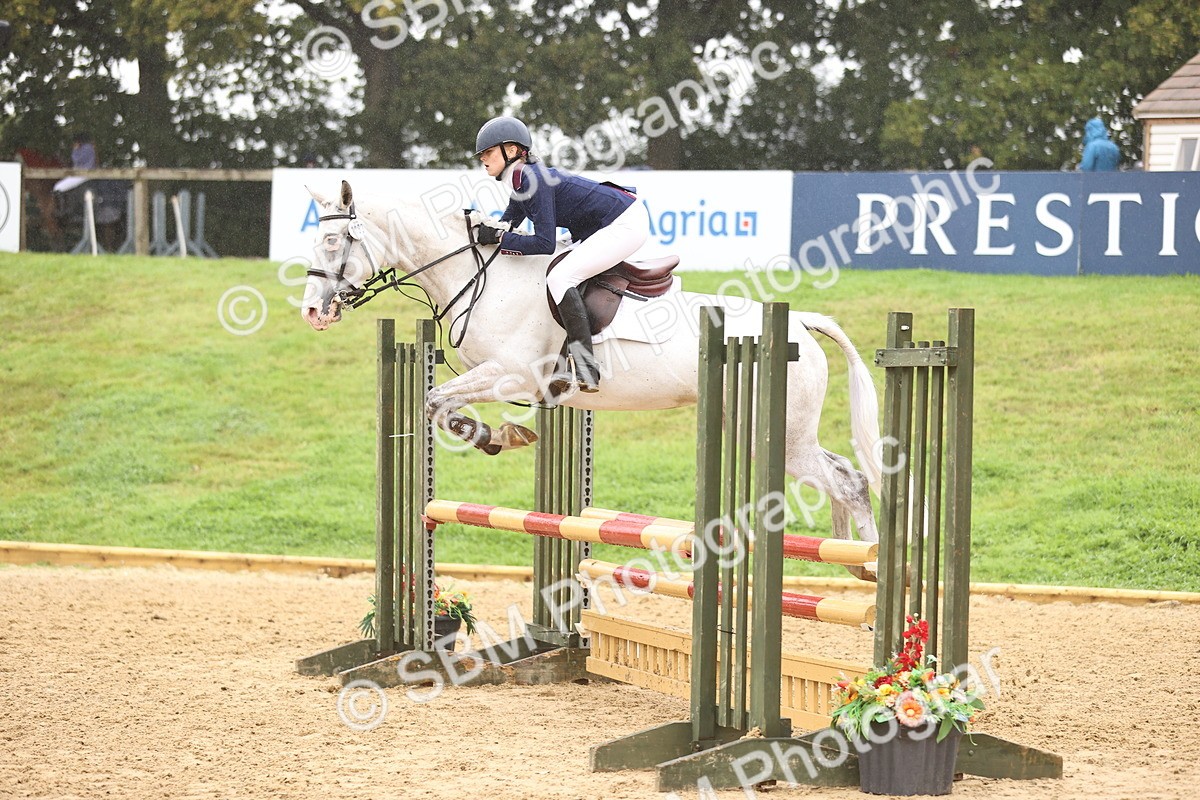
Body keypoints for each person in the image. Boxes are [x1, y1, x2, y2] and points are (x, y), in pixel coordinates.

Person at [473, 116, 649, 394]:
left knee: (560, 276)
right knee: (557, 269)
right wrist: (479, 230)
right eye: (481, 154)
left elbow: (543, 242)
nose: (483, 158)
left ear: (512, 150)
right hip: (598, 225)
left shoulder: (533, 179)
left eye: (488, 152)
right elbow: (506, 226)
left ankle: (585, 366)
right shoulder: (520, 180)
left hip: (624, 222)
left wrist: (497, 237)